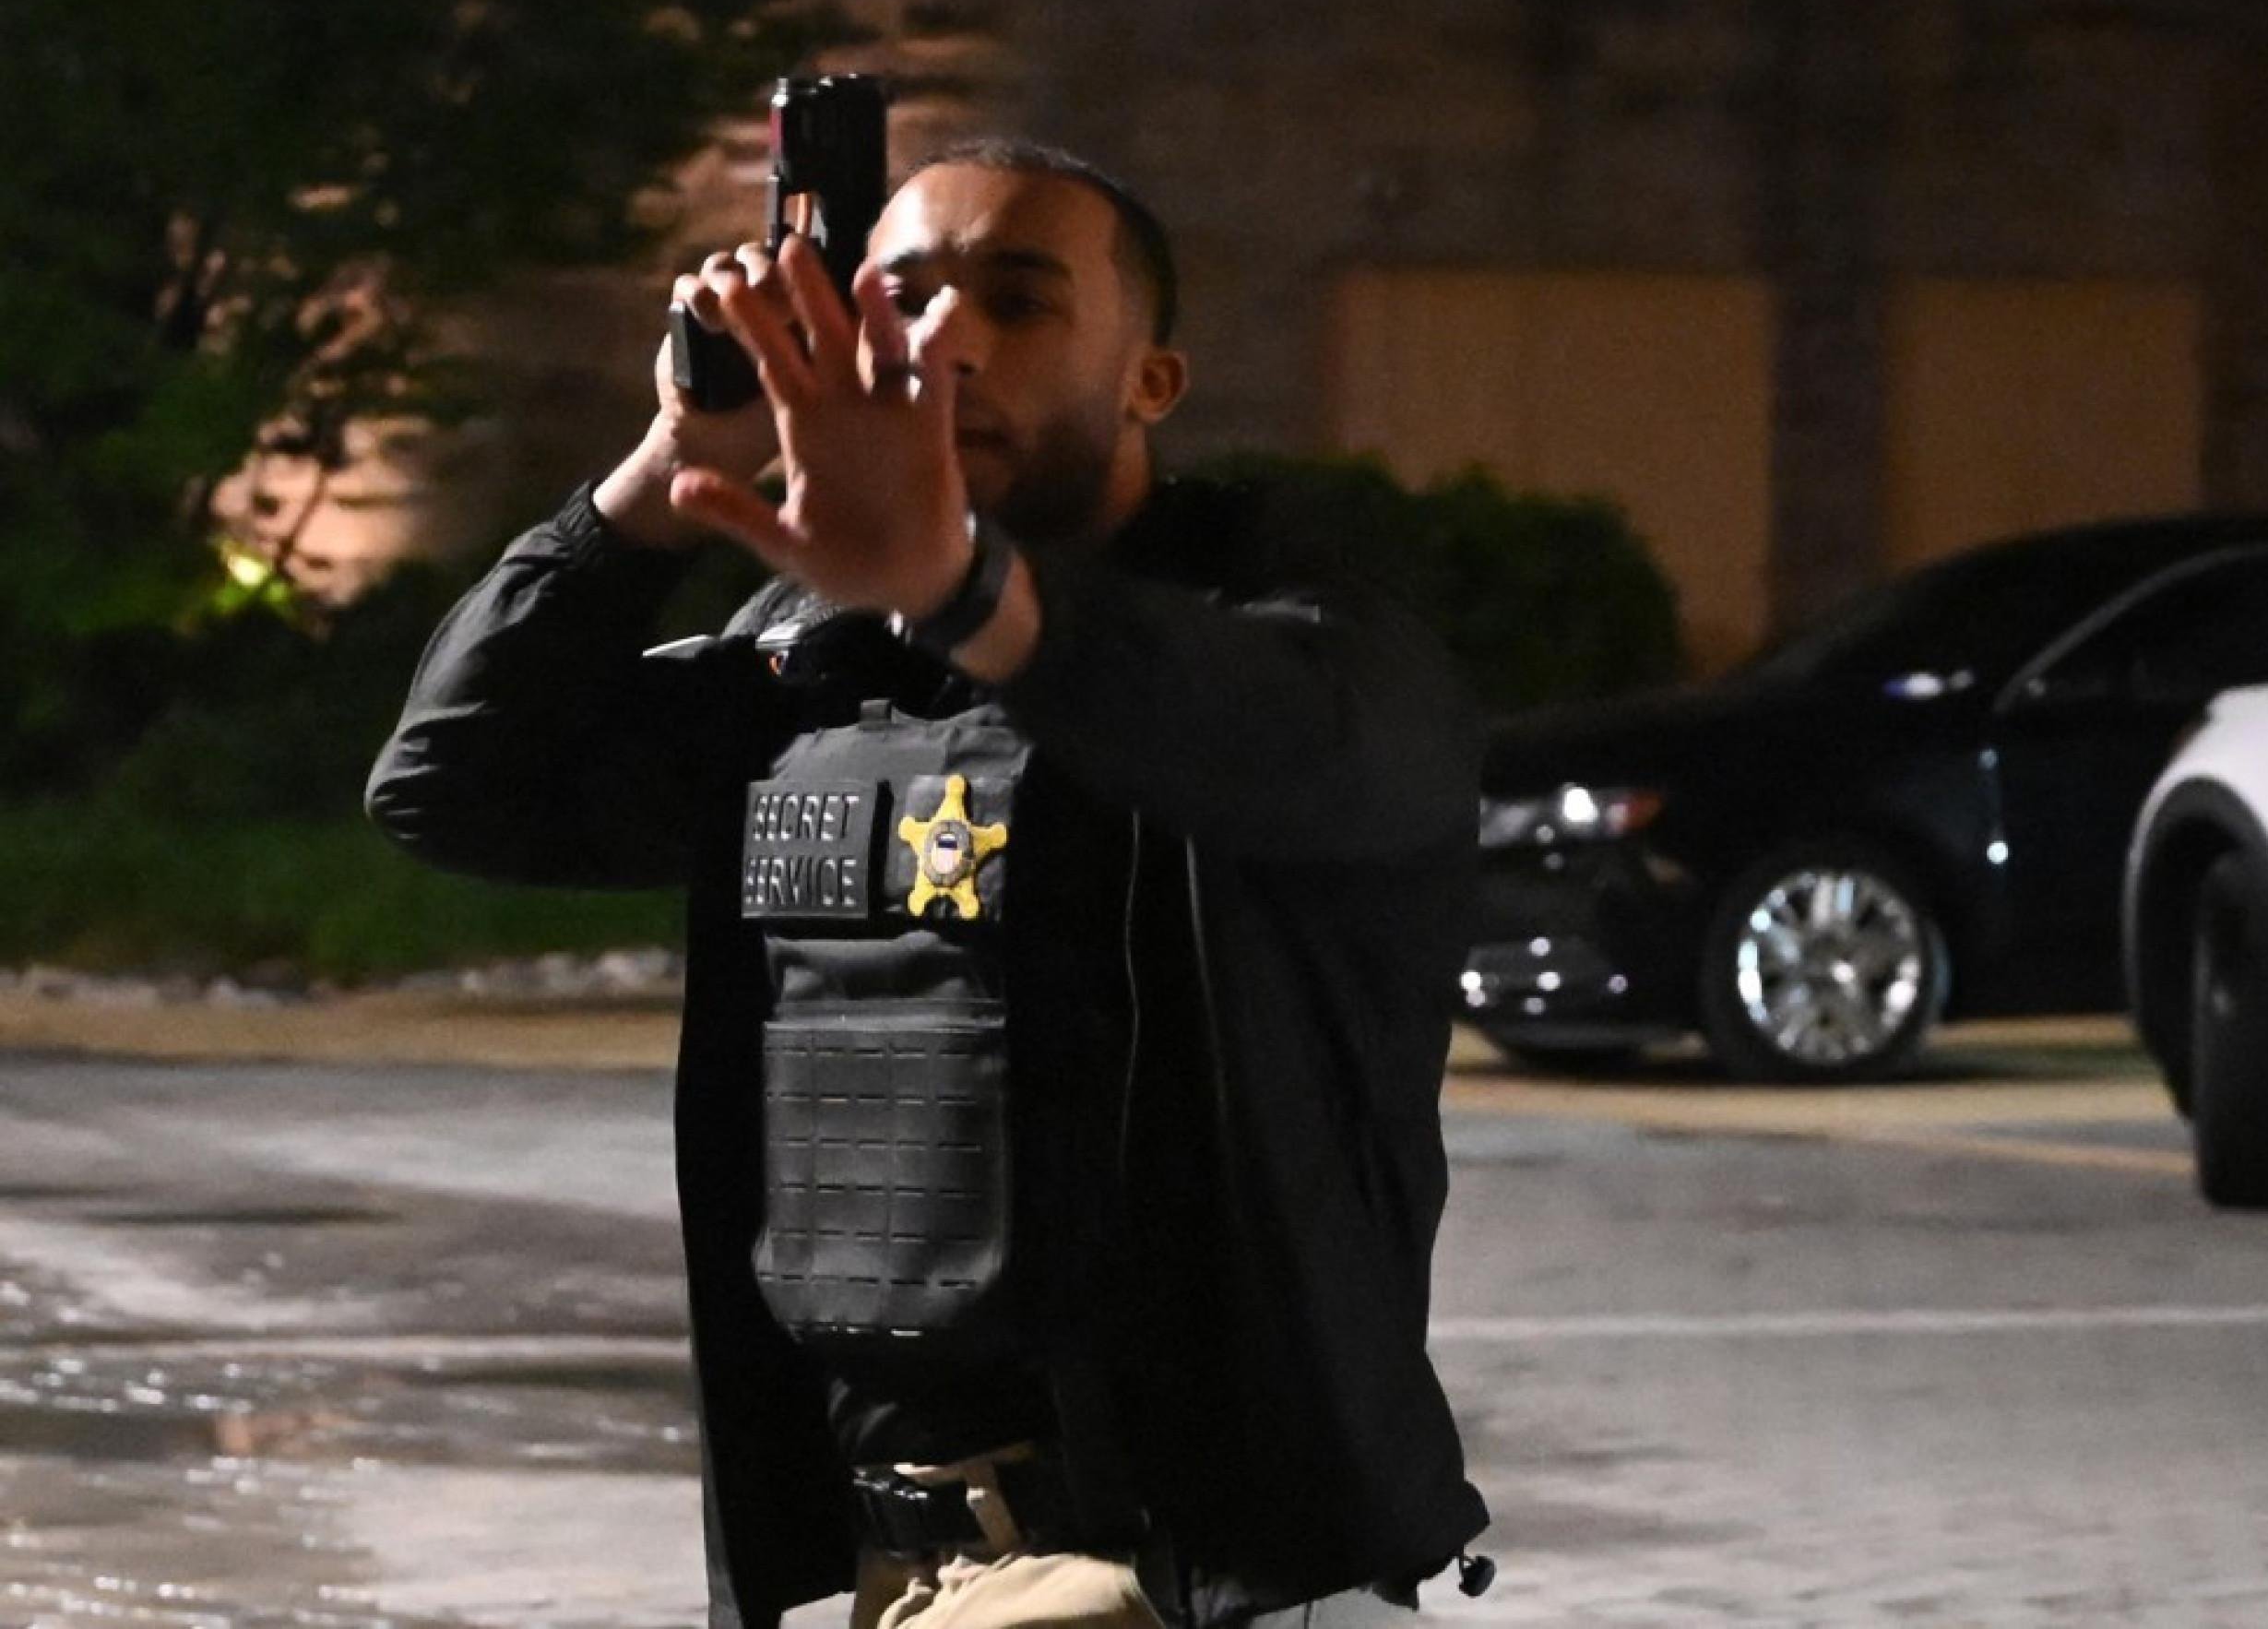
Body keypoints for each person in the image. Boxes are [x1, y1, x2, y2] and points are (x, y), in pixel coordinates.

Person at [368, 139, 1491, 1629]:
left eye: (1017, 303)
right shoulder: (815, 676)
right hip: (898, 1566)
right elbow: (455, 782)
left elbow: (1284, 736)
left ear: (1151, 380)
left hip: (1179, 1570)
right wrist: (675, 466)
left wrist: (968, 589)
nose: (943, 342)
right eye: (898, 298)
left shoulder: (1281, 641)